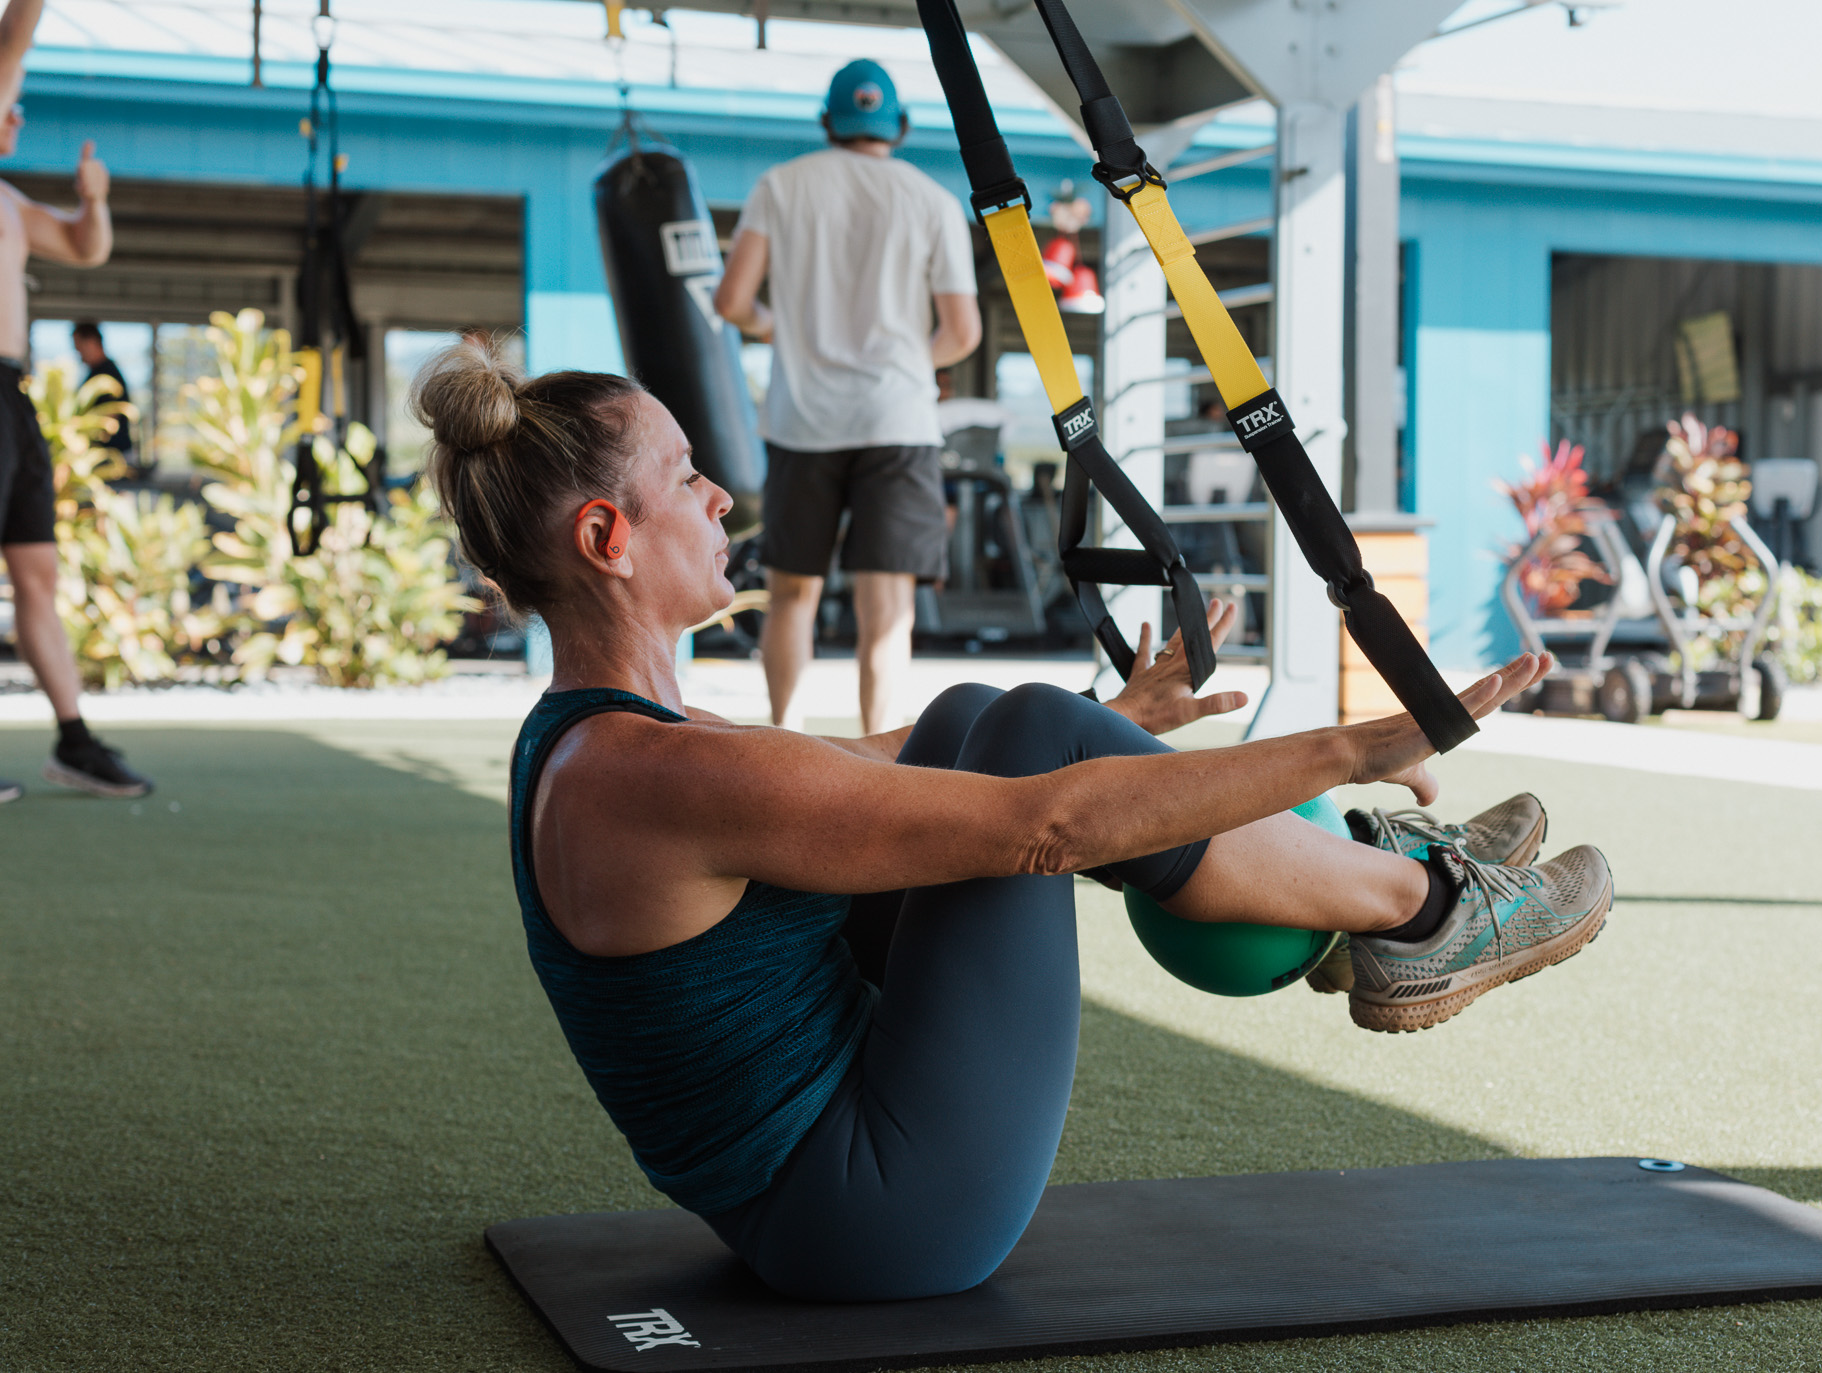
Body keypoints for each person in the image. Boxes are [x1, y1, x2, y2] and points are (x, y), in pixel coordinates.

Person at [413, 341, 1615, 1303]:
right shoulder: (653, 772)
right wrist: (1352, 743)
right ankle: (1424, 910)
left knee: (972, 716)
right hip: (878, 1215)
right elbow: (1050, 827)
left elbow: (859, 772)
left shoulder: (609, 739)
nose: (720, 492)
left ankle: (1361, 885)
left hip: (819, 1189)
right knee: (1031, 734)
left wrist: (1114, 719)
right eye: (685, 476)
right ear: (606, 538)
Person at [713, 58, 981, 735]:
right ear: (901, 126)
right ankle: (878, 756)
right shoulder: (933, 200)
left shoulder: (781, 185)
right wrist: (904, 358)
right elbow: (962, 333)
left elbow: (732, 300)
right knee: (886, 606)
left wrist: (778, 329)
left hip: (802, 422)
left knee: (790, 594)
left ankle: (784, 736)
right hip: (897, 420)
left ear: (826, 122)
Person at [0, 0, 150, 805]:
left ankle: (73, 741)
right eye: (8, 103)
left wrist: (94, 200)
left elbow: (88, 248)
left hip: (12, 398)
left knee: (38, 572)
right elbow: (13, 40)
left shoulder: (12, 205)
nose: (15, 115)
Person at [71, 321, 133, 463]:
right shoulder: (95, 373)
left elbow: (110, 416)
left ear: (91, 342)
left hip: (112, 456)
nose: (79, 354)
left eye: (79, 348)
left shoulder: (107, 375)